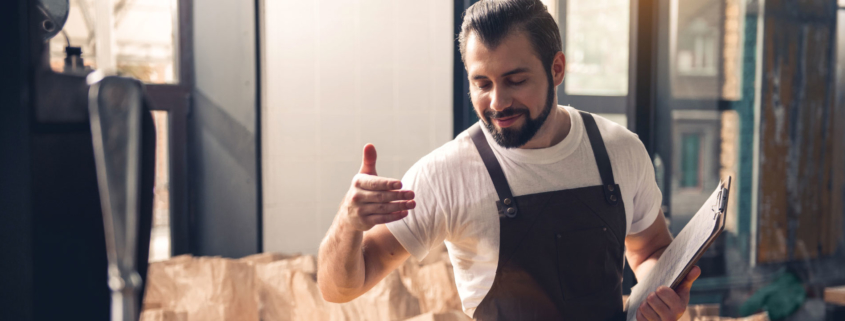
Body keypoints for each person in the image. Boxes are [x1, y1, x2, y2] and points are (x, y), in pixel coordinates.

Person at [317, 0, 700, 320]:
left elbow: (650, 251)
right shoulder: (444, 174)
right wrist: (347, 224)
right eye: (482, 84)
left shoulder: (620, 150)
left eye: (516, 80)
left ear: (557, 69)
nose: (497, 103)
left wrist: (660, 298)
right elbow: (339, 288)